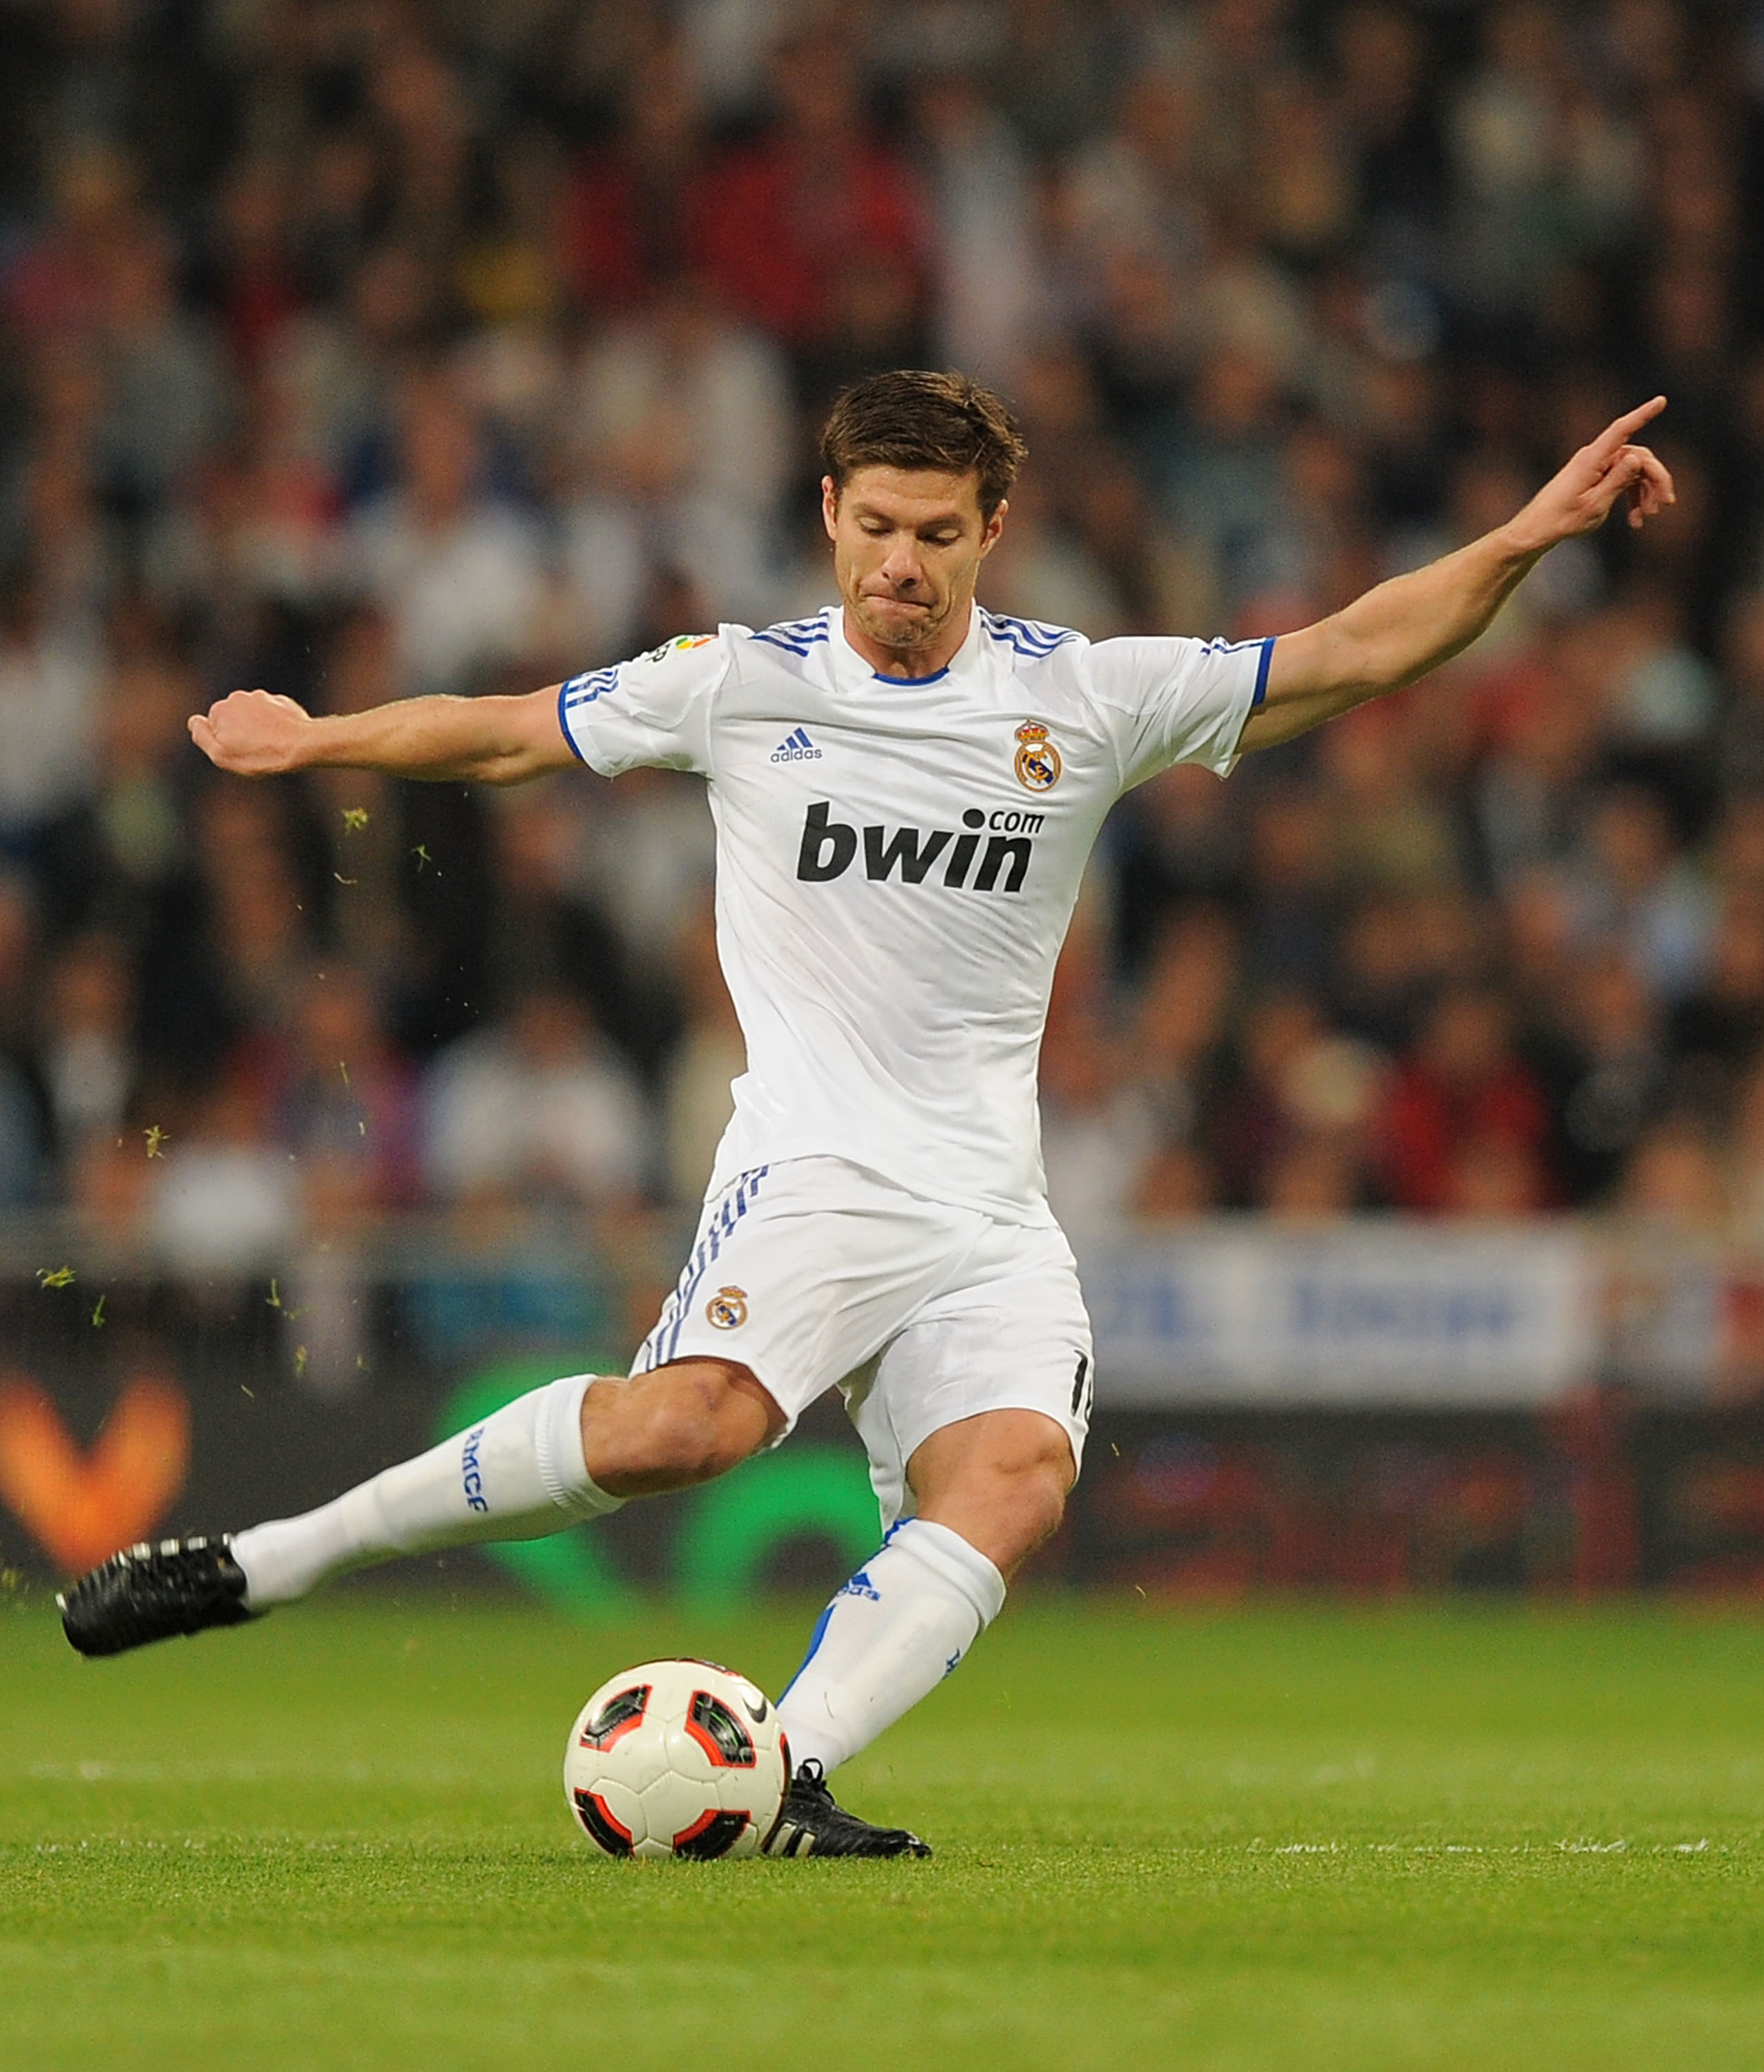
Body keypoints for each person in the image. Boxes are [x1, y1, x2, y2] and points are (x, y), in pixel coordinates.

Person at [58, 372, 1674, 1856]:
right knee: (687, 1431)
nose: (901, 566)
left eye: (938, 536)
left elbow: (1352, 649)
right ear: (830, 514)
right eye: (878, 528)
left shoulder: (1084, 699)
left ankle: (788, 1770)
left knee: (1020, 1473)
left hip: (988, 1202)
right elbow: (504, 736)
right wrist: (325, 737)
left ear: (991, 537)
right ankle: (264, 1563)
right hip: (815, 1164)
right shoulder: (739, 683)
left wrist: (1527, 536)